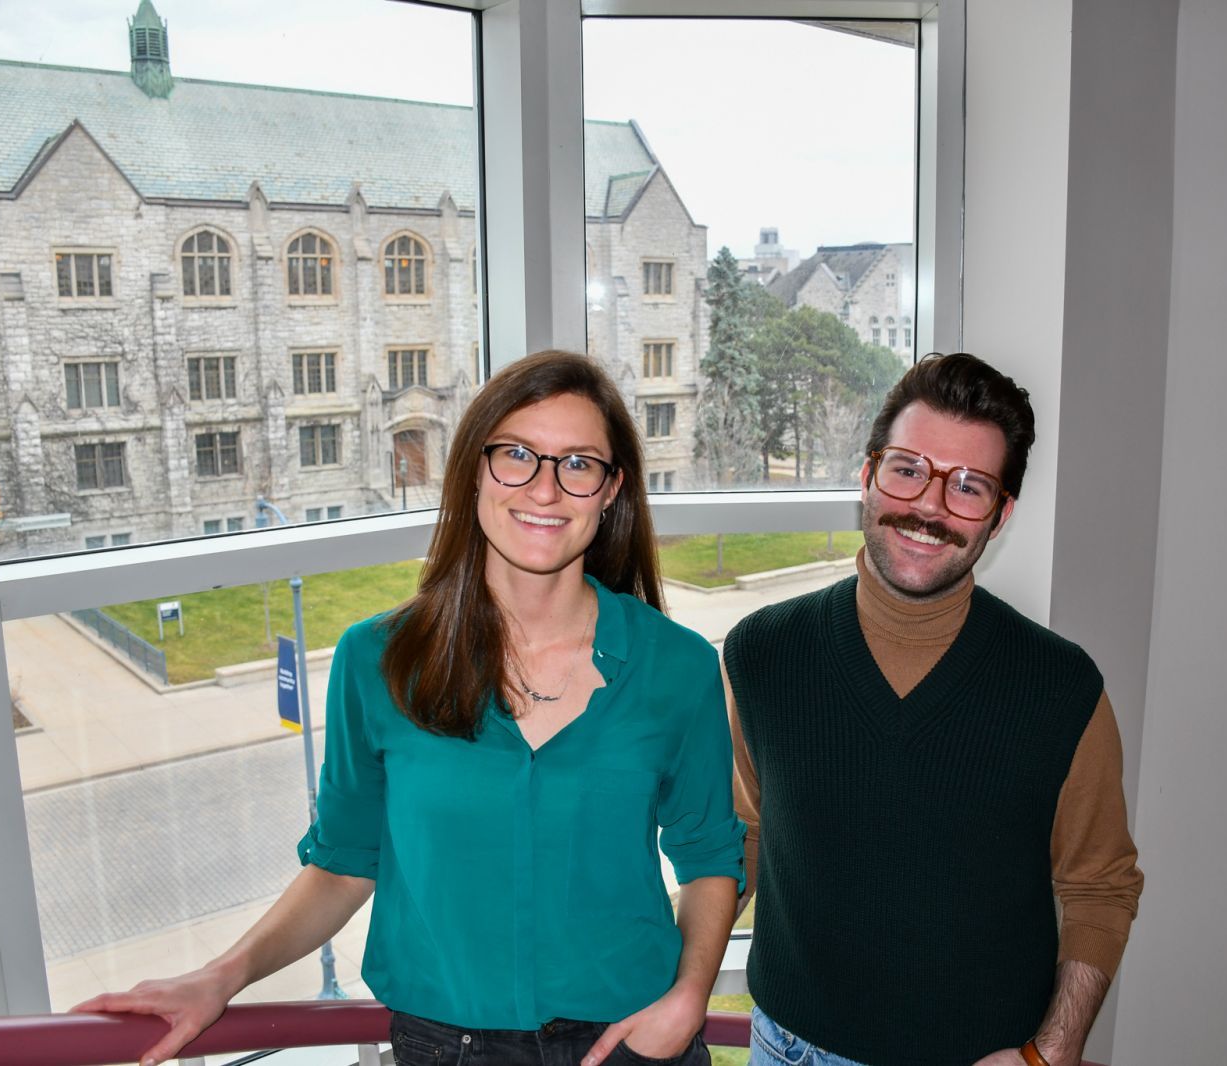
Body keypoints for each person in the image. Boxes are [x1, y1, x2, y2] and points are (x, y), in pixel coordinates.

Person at [75, 351, 744, 1066]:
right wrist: (221, 976)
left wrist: (688, 996)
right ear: (474, 471)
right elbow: (343, 866)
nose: (545, 489)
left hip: (632, 1038)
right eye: (517, 455)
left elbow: (710, 855)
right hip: (444, 1046)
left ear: (611, 490)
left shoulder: (676, 666)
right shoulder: (377, 661)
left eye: (578, 464)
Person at [724, 352, 1143, 1066]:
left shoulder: (1061, 688)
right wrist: (665, 981)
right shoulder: (762, 654)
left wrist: (1051, 1053)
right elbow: (740, 841)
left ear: (999, 516)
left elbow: (1099, 888)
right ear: (867, 476)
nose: (929, 506)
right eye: (908, 469)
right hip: (789, 1049)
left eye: (969, 485)